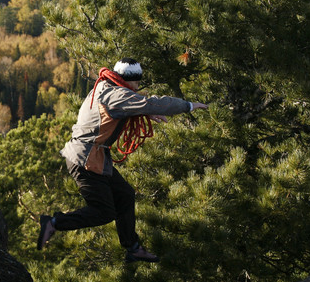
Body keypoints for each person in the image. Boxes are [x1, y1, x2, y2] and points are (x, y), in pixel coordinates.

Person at [37, 58, 207, 262]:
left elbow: (126, 106)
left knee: (125, 194)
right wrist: (188, 105)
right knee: (103, 212)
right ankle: (54, 223)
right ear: (131, 80)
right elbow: (149, 102)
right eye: (137, 82)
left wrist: (144, 111)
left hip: (92, 156)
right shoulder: (116, 94)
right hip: (85, 160)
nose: (138, 87)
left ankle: (132, 247)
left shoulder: (104, 85)